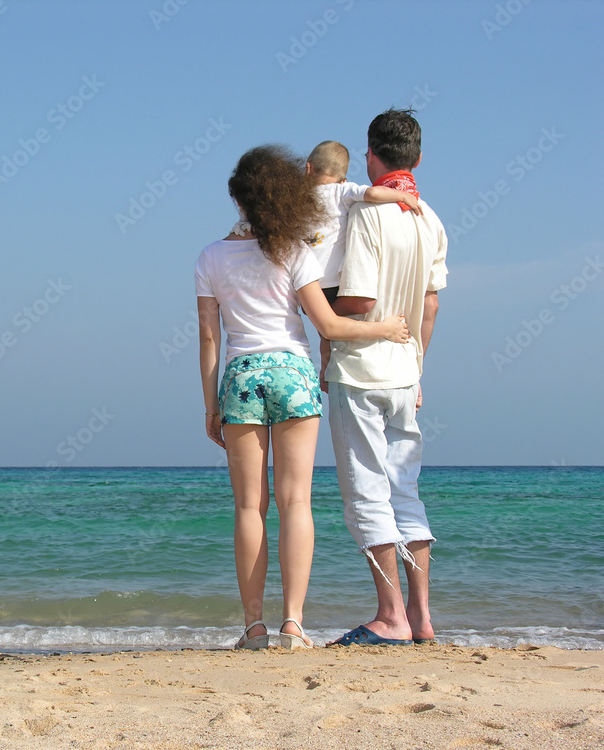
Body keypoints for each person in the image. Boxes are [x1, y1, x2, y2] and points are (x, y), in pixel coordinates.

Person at [195, 145, 411, 650]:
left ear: (238, 198)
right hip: (291, 373)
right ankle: (292, 624)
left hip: (241, 377)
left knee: (250, 507)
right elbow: (330, 324)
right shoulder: (295, 250)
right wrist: (387, 329)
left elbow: (209, 340)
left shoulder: (210, 257)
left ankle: (253, 628)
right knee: (296, 503)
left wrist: (210, 407)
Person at [325, 109, 448, 647]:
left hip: (362, 367)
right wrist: (418, 366)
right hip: (405, 372)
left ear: (370, 155)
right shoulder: (430, 217)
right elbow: (430, 304)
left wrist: (320, 309)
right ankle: (421, 619)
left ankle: (390, 616)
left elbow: (359, 299)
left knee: (366, 493)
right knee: (406, 494)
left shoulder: (367, 216)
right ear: (417, 159)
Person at [304, 140, 421, 390]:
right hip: (333, 283)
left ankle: (325, 366)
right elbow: (373, 194)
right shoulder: (342, 192)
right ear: (343, 179)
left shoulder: (298, 199)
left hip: (306, 285)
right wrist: (402, 195)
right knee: (332, 329)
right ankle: (379, 333)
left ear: (308, 168)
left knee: (325, 331)